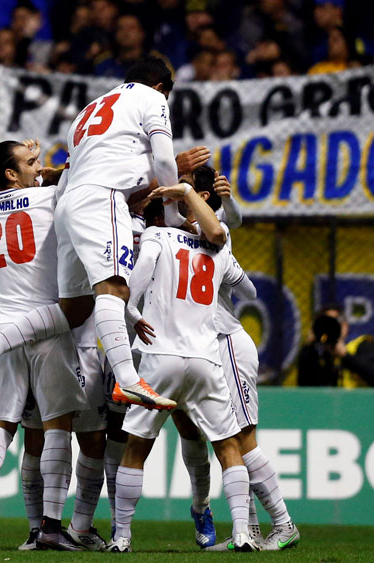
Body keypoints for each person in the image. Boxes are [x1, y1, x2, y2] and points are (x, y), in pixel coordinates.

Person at [0, 57, 183, 410]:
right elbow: (165, 160)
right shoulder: (151, 98)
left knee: (75, 309)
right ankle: (128, 381)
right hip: (104, 198)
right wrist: (172, 215)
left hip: (69, 205)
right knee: (114, 287)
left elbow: (72, 171)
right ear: (161, 87)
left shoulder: (87, 111)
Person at [114, 178, 257, 553]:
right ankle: (242, 532)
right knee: (228, 447)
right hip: (205, 359)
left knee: (136, 448)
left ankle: (121, 536)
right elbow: (225, 238)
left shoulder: (157, 237)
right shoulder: (217, 245)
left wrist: (130, 311)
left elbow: (138, 280)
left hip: (161, 357)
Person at [0, 140, 89, 552]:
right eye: (31, 162)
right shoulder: (49, 197)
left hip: (3, 324)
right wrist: (57, 173)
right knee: (58, 426)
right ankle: (51, 528)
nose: (41, 167)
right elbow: (86, 176)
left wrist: (42, 170)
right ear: (11, 175)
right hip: (47, 325)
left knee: (1, 426)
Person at [178, 167, 300, 552]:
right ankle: (248, 530)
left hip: (227, 342)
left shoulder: (212, 232)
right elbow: (246, 288)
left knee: (243, 440)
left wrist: (225, 203)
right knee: (227, 441)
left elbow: (247, 287)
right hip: (210, 346)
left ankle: (284, 523)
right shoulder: (192, 231)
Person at [297, 305, 374, 387]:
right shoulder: (319, 354)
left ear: (345, 326)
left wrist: (345, 355)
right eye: (325, 325)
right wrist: (309, 348)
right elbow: (305, 388)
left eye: (333, 323)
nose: (329, 328)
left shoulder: (363, 346)